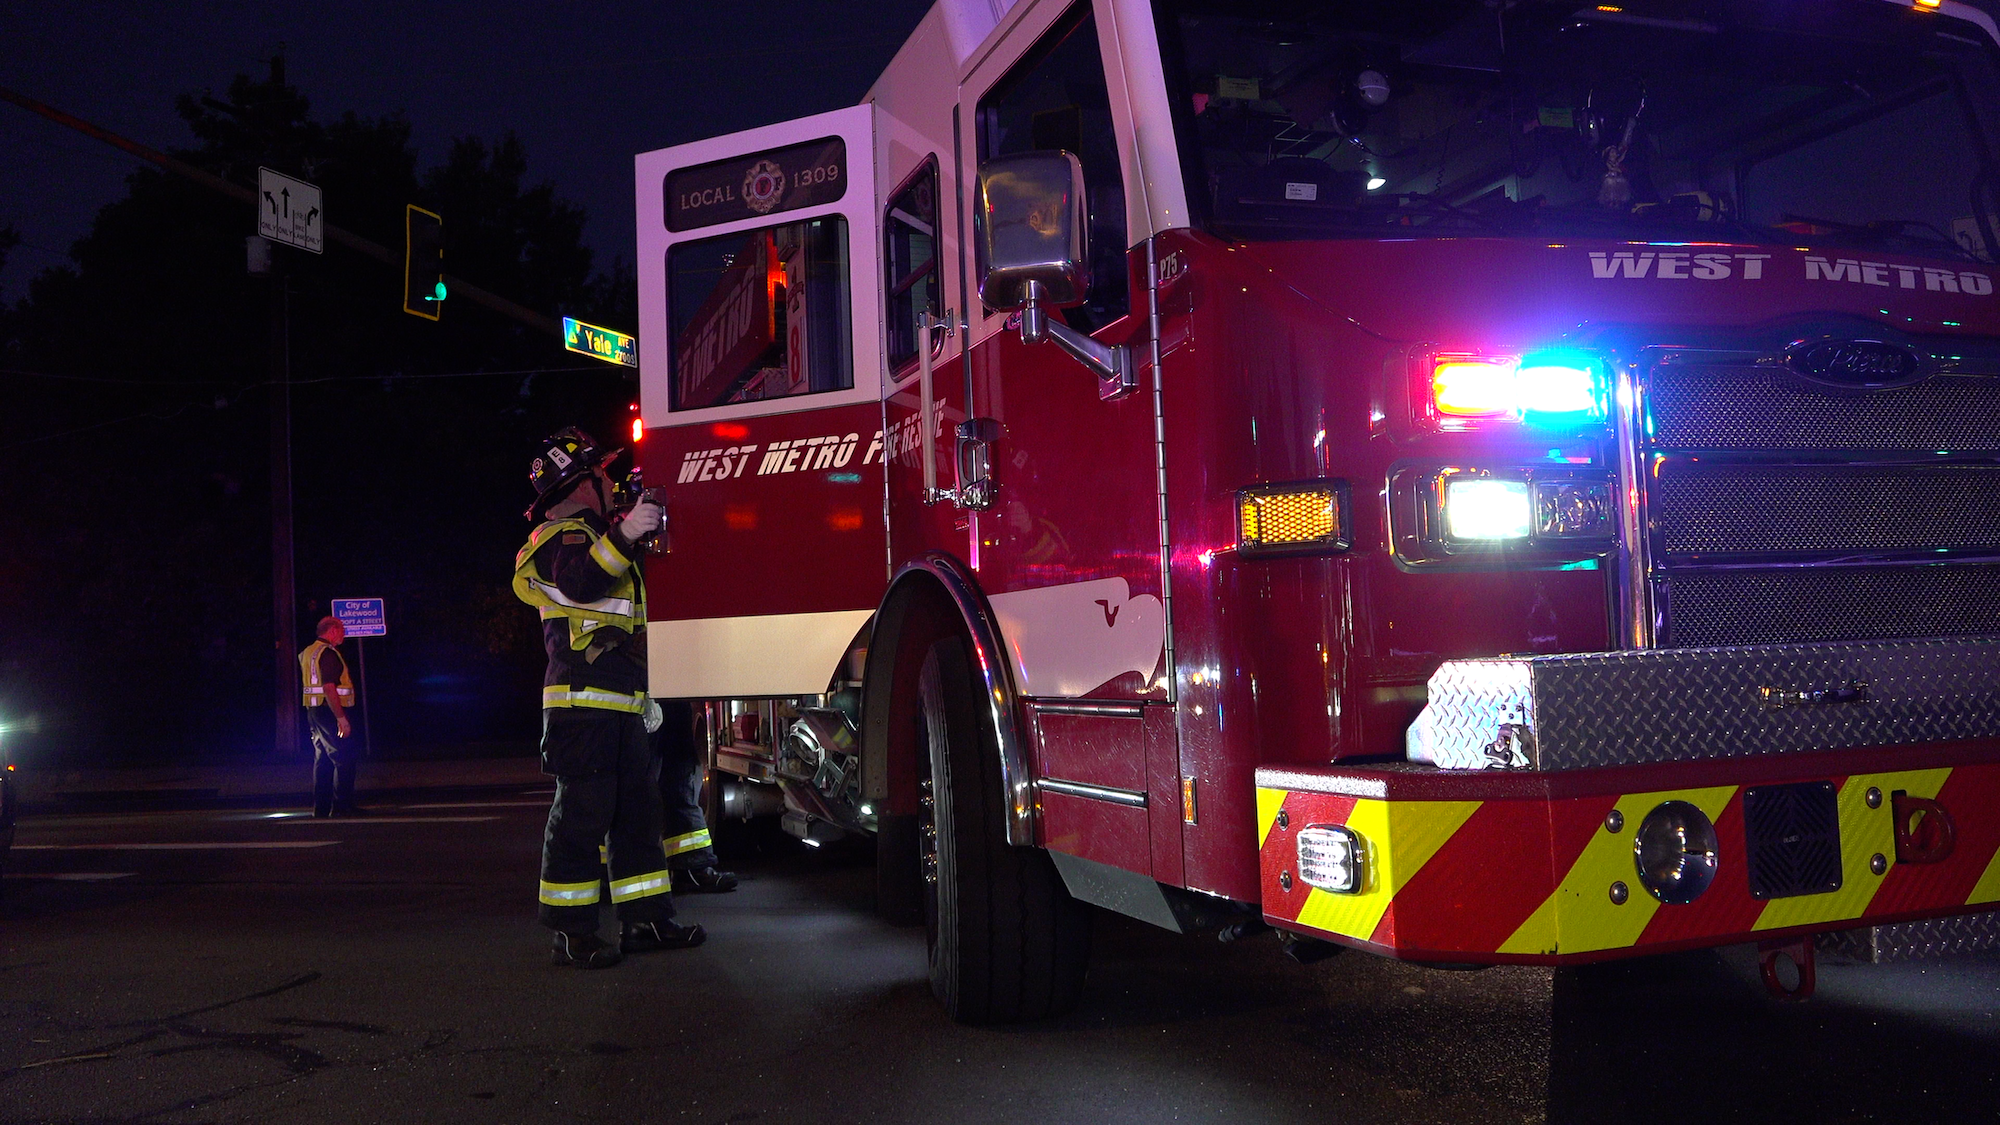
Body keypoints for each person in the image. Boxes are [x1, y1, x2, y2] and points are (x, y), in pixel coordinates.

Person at [513, 427, 704, 969]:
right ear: (579, 484)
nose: (611, 481)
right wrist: (625, 535)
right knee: (581, 817)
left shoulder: (598, 534)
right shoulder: (559, 537)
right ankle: (570, 934)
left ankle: (646, 922)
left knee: (639, 819)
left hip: (621, 705)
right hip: (581, 707)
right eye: (603, 474)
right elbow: (581, 584)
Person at [656, 700, 738, 893]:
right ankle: (688, 867)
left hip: (664, 693)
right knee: (636, 785)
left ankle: (689, 867)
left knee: (679, 776)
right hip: (634, 695)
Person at [299, 616, 361, 817]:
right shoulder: (328, 653)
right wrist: (341, 718)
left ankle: (322, 808)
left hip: (314, 712)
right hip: (329, 712)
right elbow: (329, 687)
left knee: (323, 759)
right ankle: (343, 807)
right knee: (343, 758)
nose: (344, 633)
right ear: (332, 630)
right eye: (341, 629)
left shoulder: (308, 652)